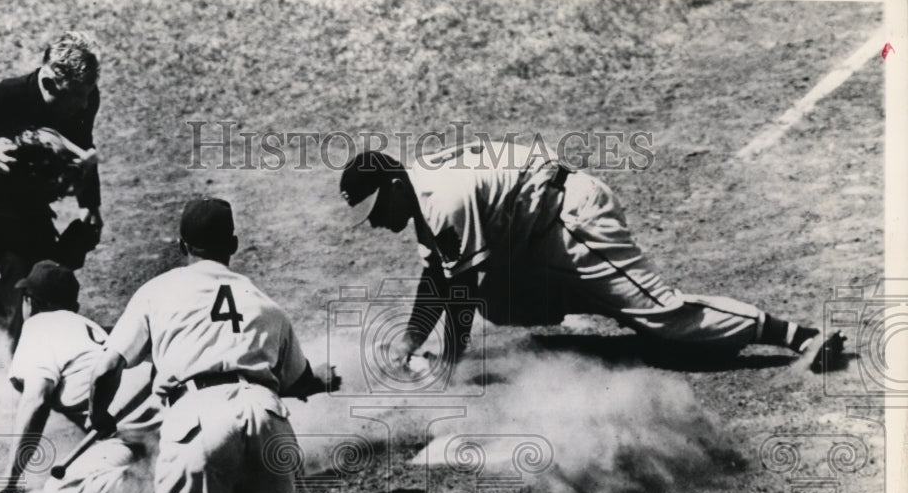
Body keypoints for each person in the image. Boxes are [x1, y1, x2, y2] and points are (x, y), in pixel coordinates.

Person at [339, 141, 844, 371]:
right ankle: (625, 313)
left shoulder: (443, 199)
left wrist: (449, 360)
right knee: (501, 300)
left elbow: (460, 289)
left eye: (376, 209)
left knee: (663, 314)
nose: (377, 222)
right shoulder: (419, 187)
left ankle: (795, 335)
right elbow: (439, 275)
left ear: (391, 184)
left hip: (573, 219)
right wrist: (411, 339)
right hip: (536, 230)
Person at [88, 198, 346, 493]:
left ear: (181, 245)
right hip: (267, 415)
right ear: (234, 244)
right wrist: (321, 380)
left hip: (198, 419)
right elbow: (296, 380)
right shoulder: (264, 302)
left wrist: (100, 416)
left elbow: (107, 369)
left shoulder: (159, 290)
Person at [0, 31, 105, 346]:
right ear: (51, 83)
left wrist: (89, 204)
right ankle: (18, 368)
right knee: (28, 279)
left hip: (23, 206)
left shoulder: (84, 98)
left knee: (53, 268)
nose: (84, 104)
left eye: (88, 93)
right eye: (76, 96)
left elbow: (84, 151)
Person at [0, 260, 159, 493]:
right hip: (154, 426)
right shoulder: (84, 327)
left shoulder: (39, 326)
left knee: (59, 492)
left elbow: (36, 402)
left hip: (132, 432)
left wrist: (9, 478)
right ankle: (177, 471)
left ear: (30, 303)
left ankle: (164, 486)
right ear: (73, 305)